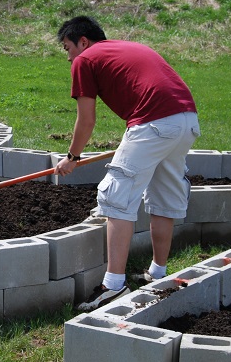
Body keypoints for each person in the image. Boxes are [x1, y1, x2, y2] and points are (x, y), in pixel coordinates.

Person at [53, 16, 200, 311]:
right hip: (186, 119)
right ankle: (157, 273)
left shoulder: (85, 60)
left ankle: (113, 286)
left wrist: (72, 157)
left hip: (154, 122)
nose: (68, 56)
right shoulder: (126, 47)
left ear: (83, 41)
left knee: (117, 197)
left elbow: (87, 119)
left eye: (67, 47)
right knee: (163, 196)